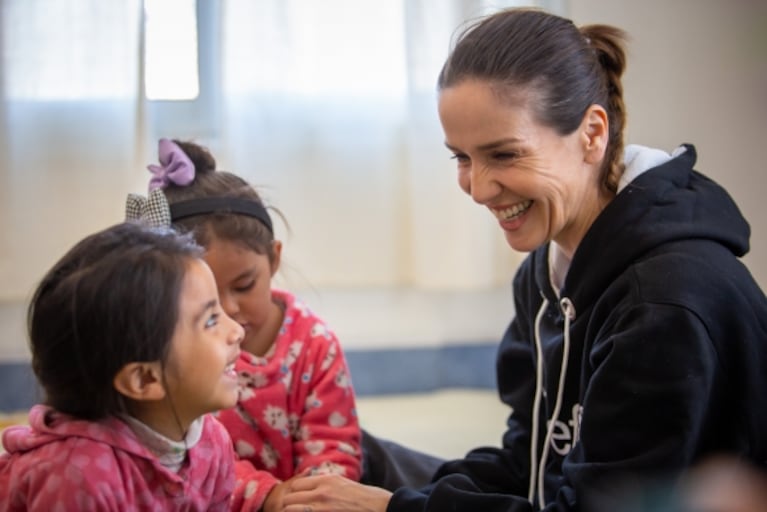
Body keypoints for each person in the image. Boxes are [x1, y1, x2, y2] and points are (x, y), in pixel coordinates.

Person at [279, 7, 767, 512]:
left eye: (505, 155)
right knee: (356, 459)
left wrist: (393, 509)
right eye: (462, 157)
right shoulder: (545, 272)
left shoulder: (663, 304)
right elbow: (528, 464)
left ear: (592, 134)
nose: (477, 188)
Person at [125, 138, 365, 511]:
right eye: (207, 302)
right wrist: (265, 495)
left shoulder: (314, 345)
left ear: (274, 259)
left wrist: (309, 501)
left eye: (244, 285)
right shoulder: (176, 349)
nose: (231, 311)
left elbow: (334, 449)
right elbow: (176, 455)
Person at [0, 222, 244, 510]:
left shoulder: (212, 443)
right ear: (144, 379)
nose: (237, 331)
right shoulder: (78, 477)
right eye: (211, 320)